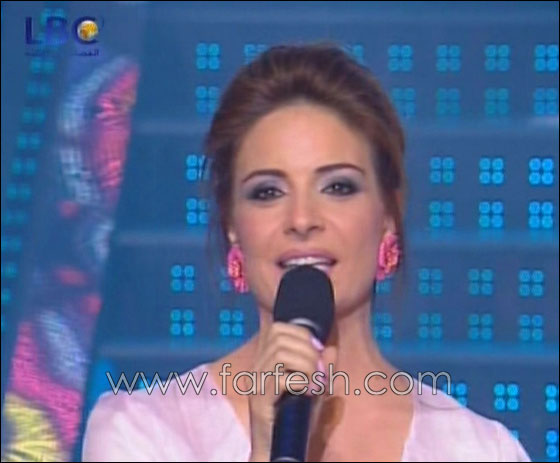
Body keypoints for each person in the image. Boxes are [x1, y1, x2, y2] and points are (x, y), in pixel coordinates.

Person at [82, 42, 531, 462]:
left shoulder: (478, 449)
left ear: (388, 217)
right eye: (267, 192)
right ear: (232, 227)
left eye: (338, 187)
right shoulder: (143, 431)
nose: (301, 218)